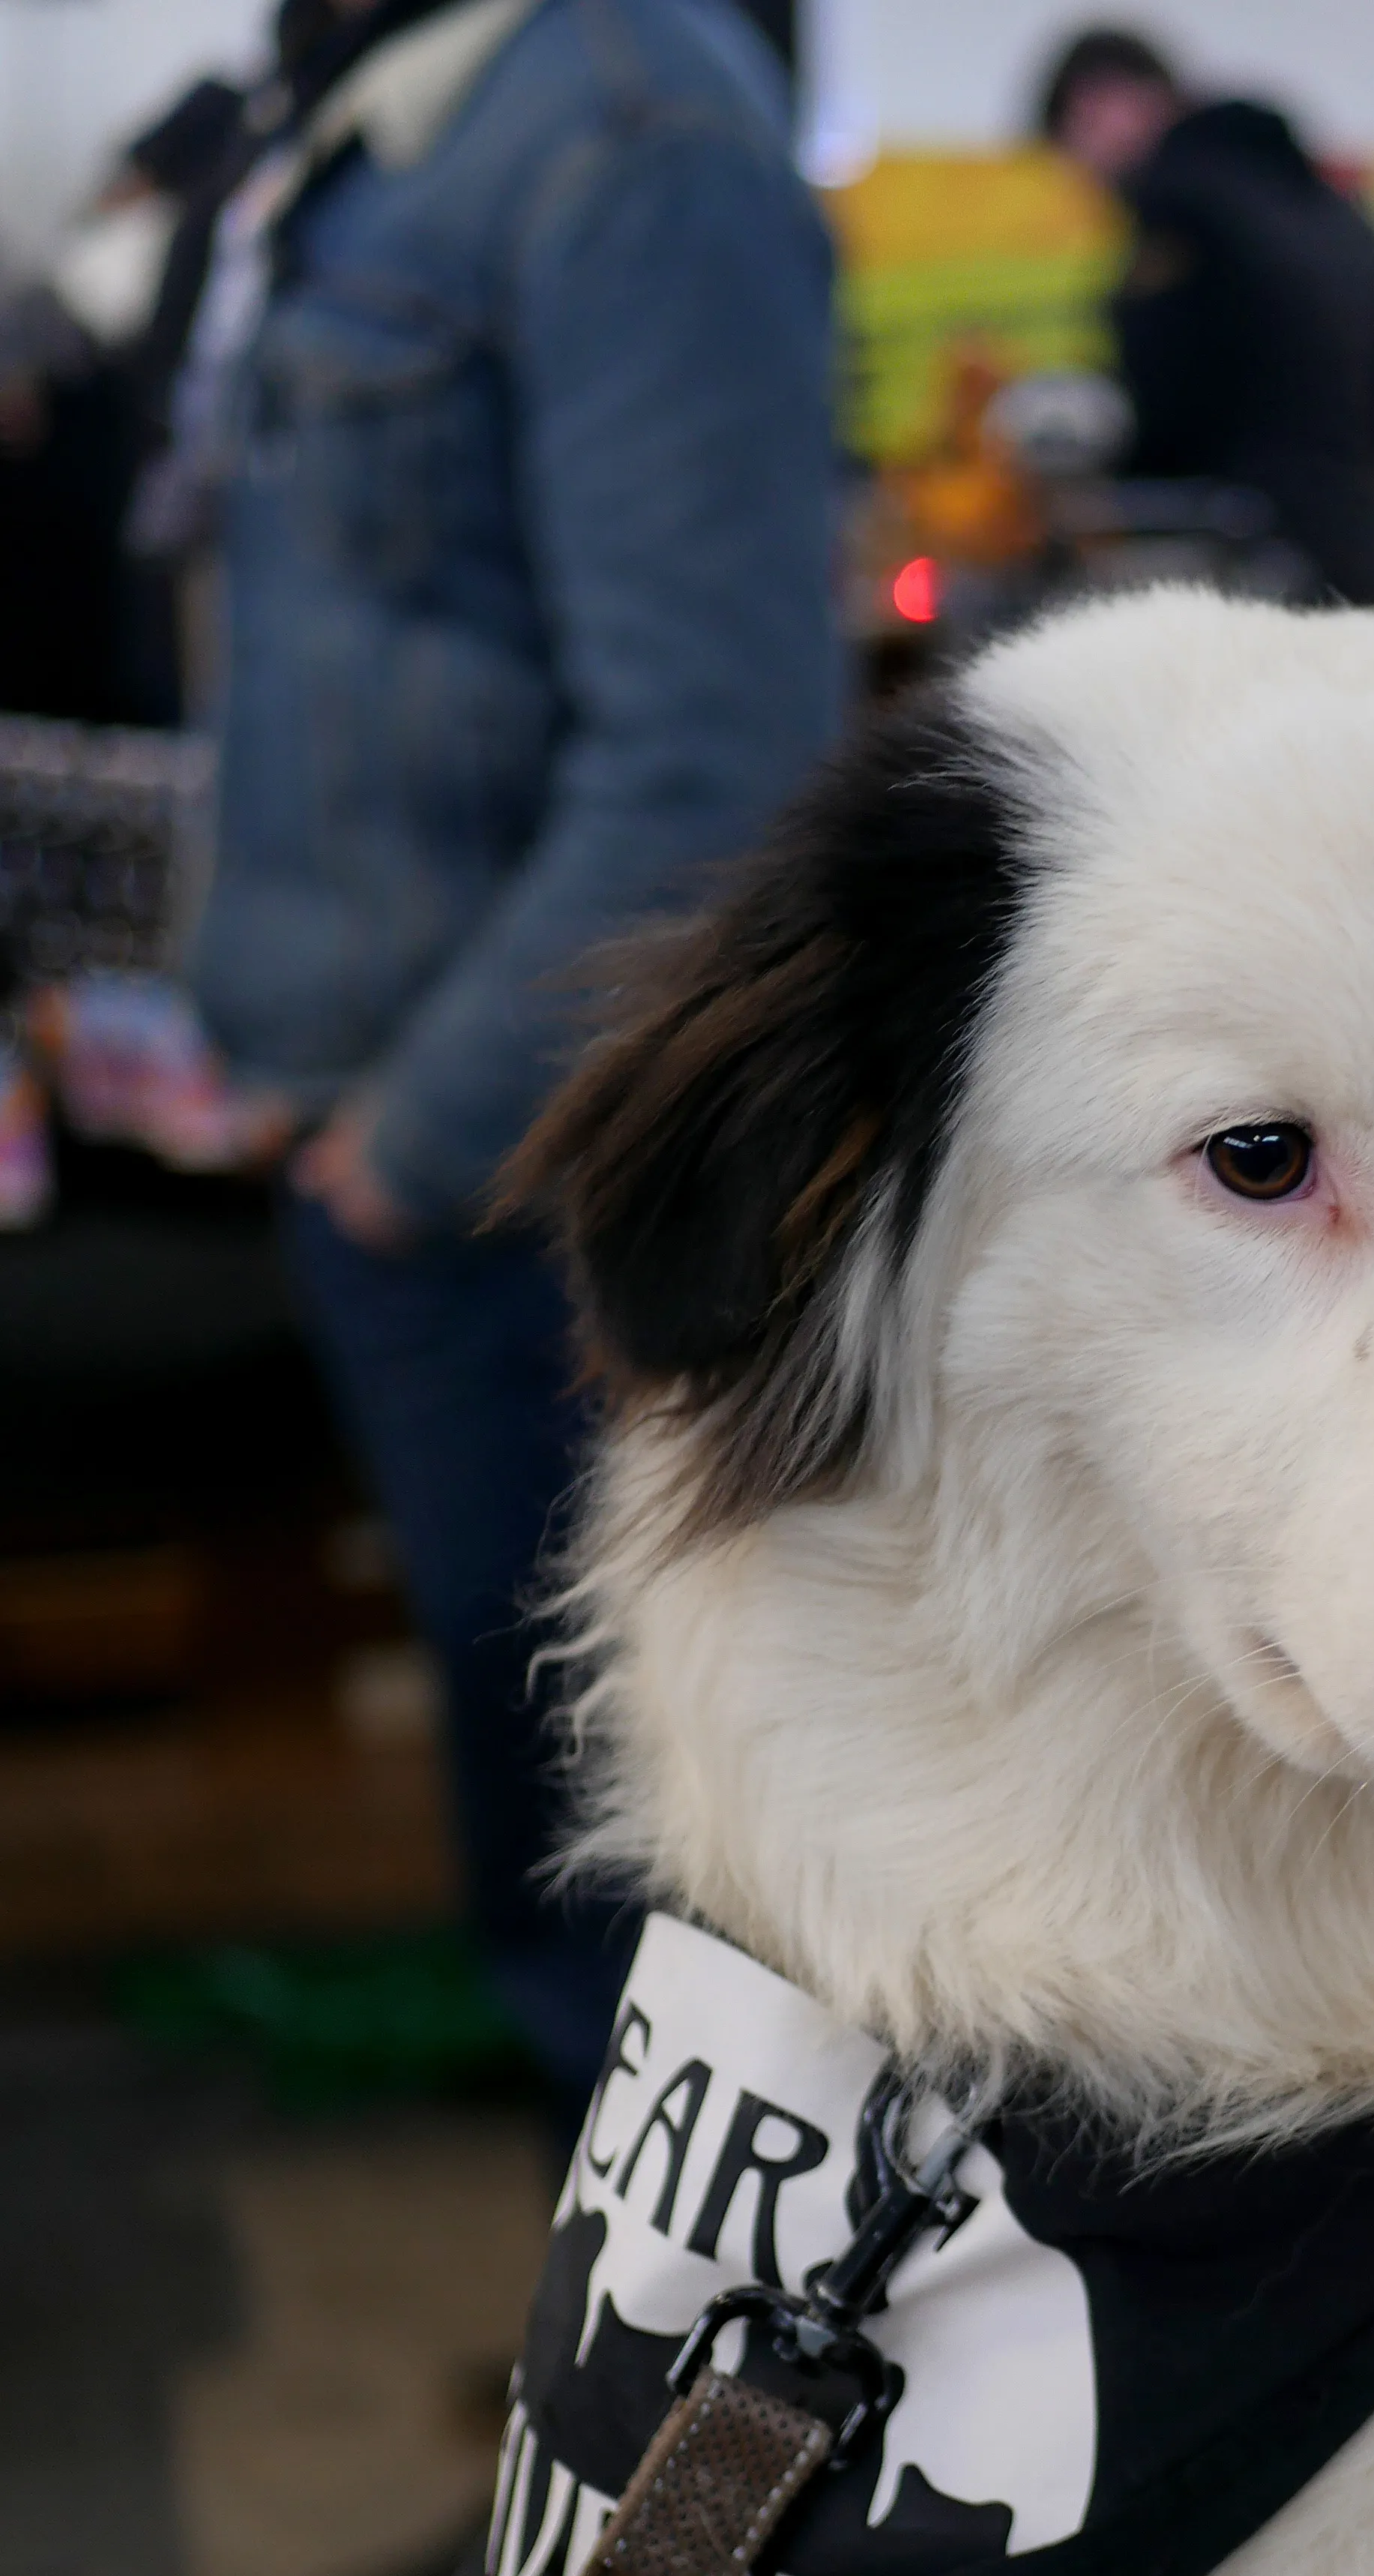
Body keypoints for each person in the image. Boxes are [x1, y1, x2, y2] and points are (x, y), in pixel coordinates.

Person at [177, 0, 842, 2119]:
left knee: (656, 1905)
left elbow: (715, 767)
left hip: (518, 1167)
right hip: (418, 1141)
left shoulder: (629, 131)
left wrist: (425, 1135)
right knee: (572, 1844)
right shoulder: (419, 127)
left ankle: (678, 2425)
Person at [1035, 25, 1374, 606]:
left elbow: (1160, 403)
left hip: (1238, 559)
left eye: (1073, 144)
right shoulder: (1328, 204)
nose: (1086, 179)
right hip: (1361, 553)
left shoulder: (1175, 205)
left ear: (1100, 104)